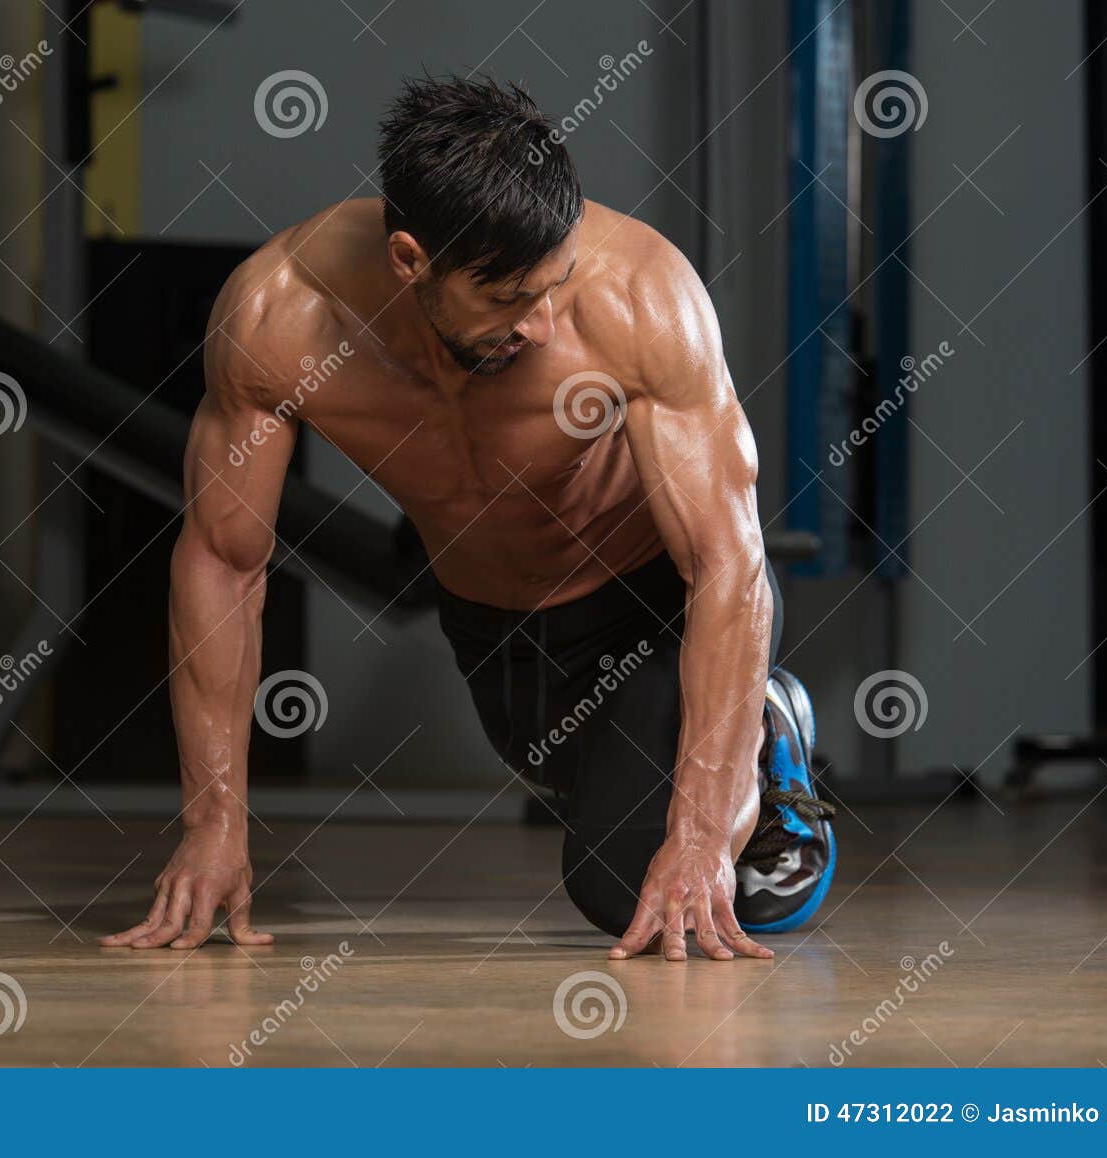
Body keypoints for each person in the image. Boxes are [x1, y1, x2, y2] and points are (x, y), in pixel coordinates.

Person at [101, 74, 834, 963]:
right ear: (412, 261)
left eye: (553, 285)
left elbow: (729, 563)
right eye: (505, 300)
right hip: (493, 626)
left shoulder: (640, 297)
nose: (542, 323)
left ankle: (767, 729)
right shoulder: (279, 318)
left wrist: (699, 834)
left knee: (625, 890)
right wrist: (212, 826)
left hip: (657, 605)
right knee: (575, 783)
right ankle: (678, 766)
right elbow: (221, 558)